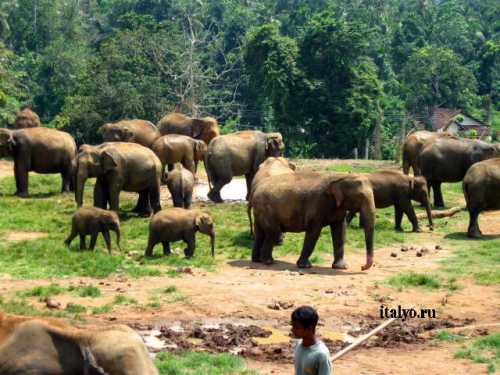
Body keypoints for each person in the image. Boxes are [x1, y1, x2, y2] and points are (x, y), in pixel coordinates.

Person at [291, 305, 332, 375]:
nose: (292, 329)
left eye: (296, 327)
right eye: (292, 325)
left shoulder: (321, 355)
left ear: (309, 328)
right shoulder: (298, 345)